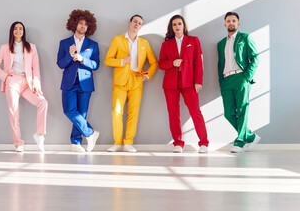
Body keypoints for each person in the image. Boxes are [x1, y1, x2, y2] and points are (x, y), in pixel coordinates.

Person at [0, 21, 48, 152]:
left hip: (28, 83)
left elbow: (36, 69)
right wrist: (5, 78)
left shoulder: (31, 47)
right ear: (12, 31)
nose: (18, 31)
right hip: (12, 81)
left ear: (24, 31)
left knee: (43, 103)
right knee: (14, 113)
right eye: (15, 28)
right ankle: (18, 143)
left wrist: (36, 85)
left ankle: (40, 134)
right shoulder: (5, 47)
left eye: (20, 28)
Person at [105, 14, 158, 153]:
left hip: (136, 81)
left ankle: (128, 142)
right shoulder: (117, 40)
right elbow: (108, 60)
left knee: (133, 113)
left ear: (141, 26)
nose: (137, 24)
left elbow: (154, 63)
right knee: (116, 111)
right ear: (129, 22)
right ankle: (117, 142)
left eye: (140, 23)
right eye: (135, 21)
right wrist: (123, 61)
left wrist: (146, 76)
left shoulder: (144, 44)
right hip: (120, 80)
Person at [159, 15, 209, 153]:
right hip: (170, 83)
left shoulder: (193, 40)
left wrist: (198, 81)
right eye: (174, 24)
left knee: (195, 112)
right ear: (172, 27)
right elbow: (161, 64)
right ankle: (178, 143)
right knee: (173, 114)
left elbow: (199, 61)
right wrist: (172, 63)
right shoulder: (166, 44)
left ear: (184, 25)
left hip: (189, 82)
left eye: (179, 23)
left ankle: (204, 143)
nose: (177, 26)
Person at [57, 9, 100, 152]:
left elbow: (96, 65)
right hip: (69, 82)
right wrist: (70, 55)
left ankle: (76, 143)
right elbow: (60, 64)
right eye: (81, 23)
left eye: (86, 24)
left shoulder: (93, 45)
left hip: (85, 83)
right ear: (75, 23)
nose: (83, 26)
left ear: (89, 27)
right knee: (69, 110)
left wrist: (83, 59)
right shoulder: (64, 43)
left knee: (81, 114)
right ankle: (91, 133)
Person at [217, 12, 260, 153]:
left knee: (242, 110)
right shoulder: (221, 43)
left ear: (238, 23)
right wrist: (221, 81)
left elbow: (255, 57)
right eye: (228, 21)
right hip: (226, 80)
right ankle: (251, 136)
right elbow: (220, 64)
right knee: (228, 113)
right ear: (225, 24)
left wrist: (247, 76)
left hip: (241, 78)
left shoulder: (245, 38)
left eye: (234, 21)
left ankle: (240, 141)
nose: (231, 23)